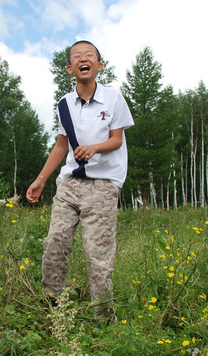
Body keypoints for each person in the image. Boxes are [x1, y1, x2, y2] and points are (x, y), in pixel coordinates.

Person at [26, 40, 134, 320]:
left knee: (97, 255)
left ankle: (103, 319)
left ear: (99, 66)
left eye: (89, 56)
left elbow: (116, 140)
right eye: (77, 56)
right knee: (55, 243)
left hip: (102, 186)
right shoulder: (64, 104)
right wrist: (41, 180)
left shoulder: (113, 98)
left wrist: (95, 147)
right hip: (69, 185)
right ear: (69, 68)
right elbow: (61, 146)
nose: (83, 59)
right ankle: (52, 308)